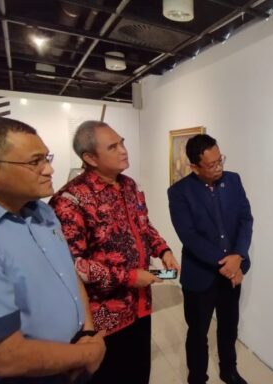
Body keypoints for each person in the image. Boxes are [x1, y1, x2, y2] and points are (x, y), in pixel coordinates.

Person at [0, 116, 106, 384]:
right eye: (35, 161)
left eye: (47, 158)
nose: (49, 170)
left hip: (73, 357)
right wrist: (87, 354)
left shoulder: (41, 210)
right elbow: (3, 356)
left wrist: (86, 333)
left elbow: (68, 274)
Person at [49, 121, 179, 384]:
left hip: (140, 306)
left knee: (139, 374)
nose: (123, 150)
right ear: (90, 158)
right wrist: (130, 277)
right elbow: (74, 265)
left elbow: (143, 224)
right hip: (103, 318)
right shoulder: (70, 200)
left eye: (122, 143)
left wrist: (163, 249)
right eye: (112, 147)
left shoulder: (129, 185)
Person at [168, 134, 253, 384]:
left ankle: (229, 370)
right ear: (195, 167)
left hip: (233, 273)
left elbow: (245, 220)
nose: (219, 167)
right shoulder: (179, 192)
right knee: (198, 333)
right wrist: (227, 264)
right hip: (200, 276)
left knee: (229, 327)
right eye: (212, 164)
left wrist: (238, 256)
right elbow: (189, 236)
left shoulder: (233, 180)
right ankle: (197, 377)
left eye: (220, 160)